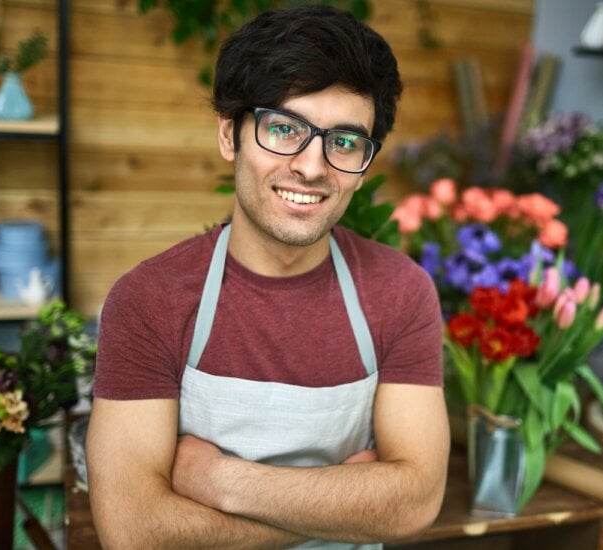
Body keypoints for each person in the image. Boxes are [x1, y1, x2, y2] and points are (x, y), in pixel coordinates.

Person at [85, 5, 450, 549]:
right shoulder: (149, 300)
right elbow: (134, 532)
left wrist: (220, 481)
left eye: (345, 141)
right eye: (284, 129)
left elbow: (416, 500)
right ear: (231, 136)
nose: (312, 167)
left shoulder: (399, 292)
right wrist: (352, 504)